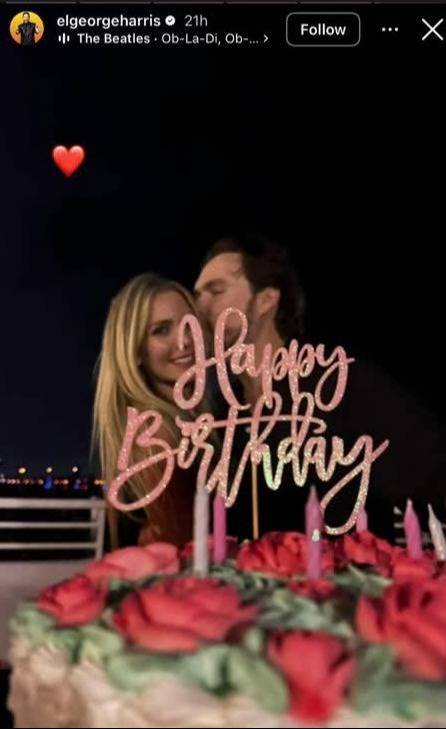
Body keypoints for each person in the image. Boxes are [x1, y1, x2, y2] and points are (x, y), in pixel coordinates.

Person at [194, 234, 446, 541]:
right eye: (197, 295)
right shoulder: (221, 413)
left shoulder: (335, 382)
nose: (199, 307)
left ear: (265, 300)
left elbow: (432, 471)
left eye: (216, 291)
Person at [93, 273, 204, 549]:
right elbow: (185, 549)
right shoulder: (157, 435)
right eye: (161, 330)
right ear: (136, 352)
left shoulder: (179, 422)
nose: (185, 340)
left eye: (190, 324)